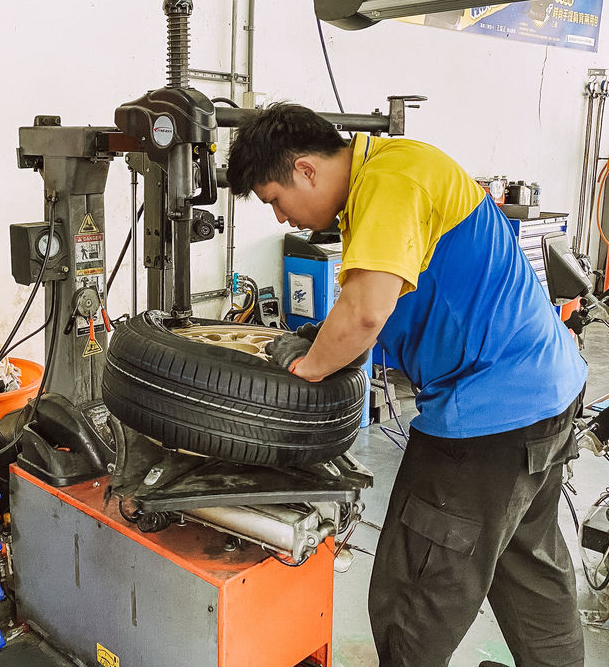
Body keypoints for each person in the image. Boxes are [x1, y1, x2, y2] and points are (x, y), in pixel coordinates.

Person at [226, 103, 587, 667]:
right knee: (530, 573)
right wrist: (322, 338)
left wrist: (306, 371)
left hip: (489, 416)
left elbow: (367, 315)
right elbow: (376, 300)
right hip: (547, 395)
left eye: (275, 199)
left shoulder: (389, 182)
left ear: (306, 170)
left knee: (415, 589)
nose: (281, 218)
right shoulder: (395, 172)